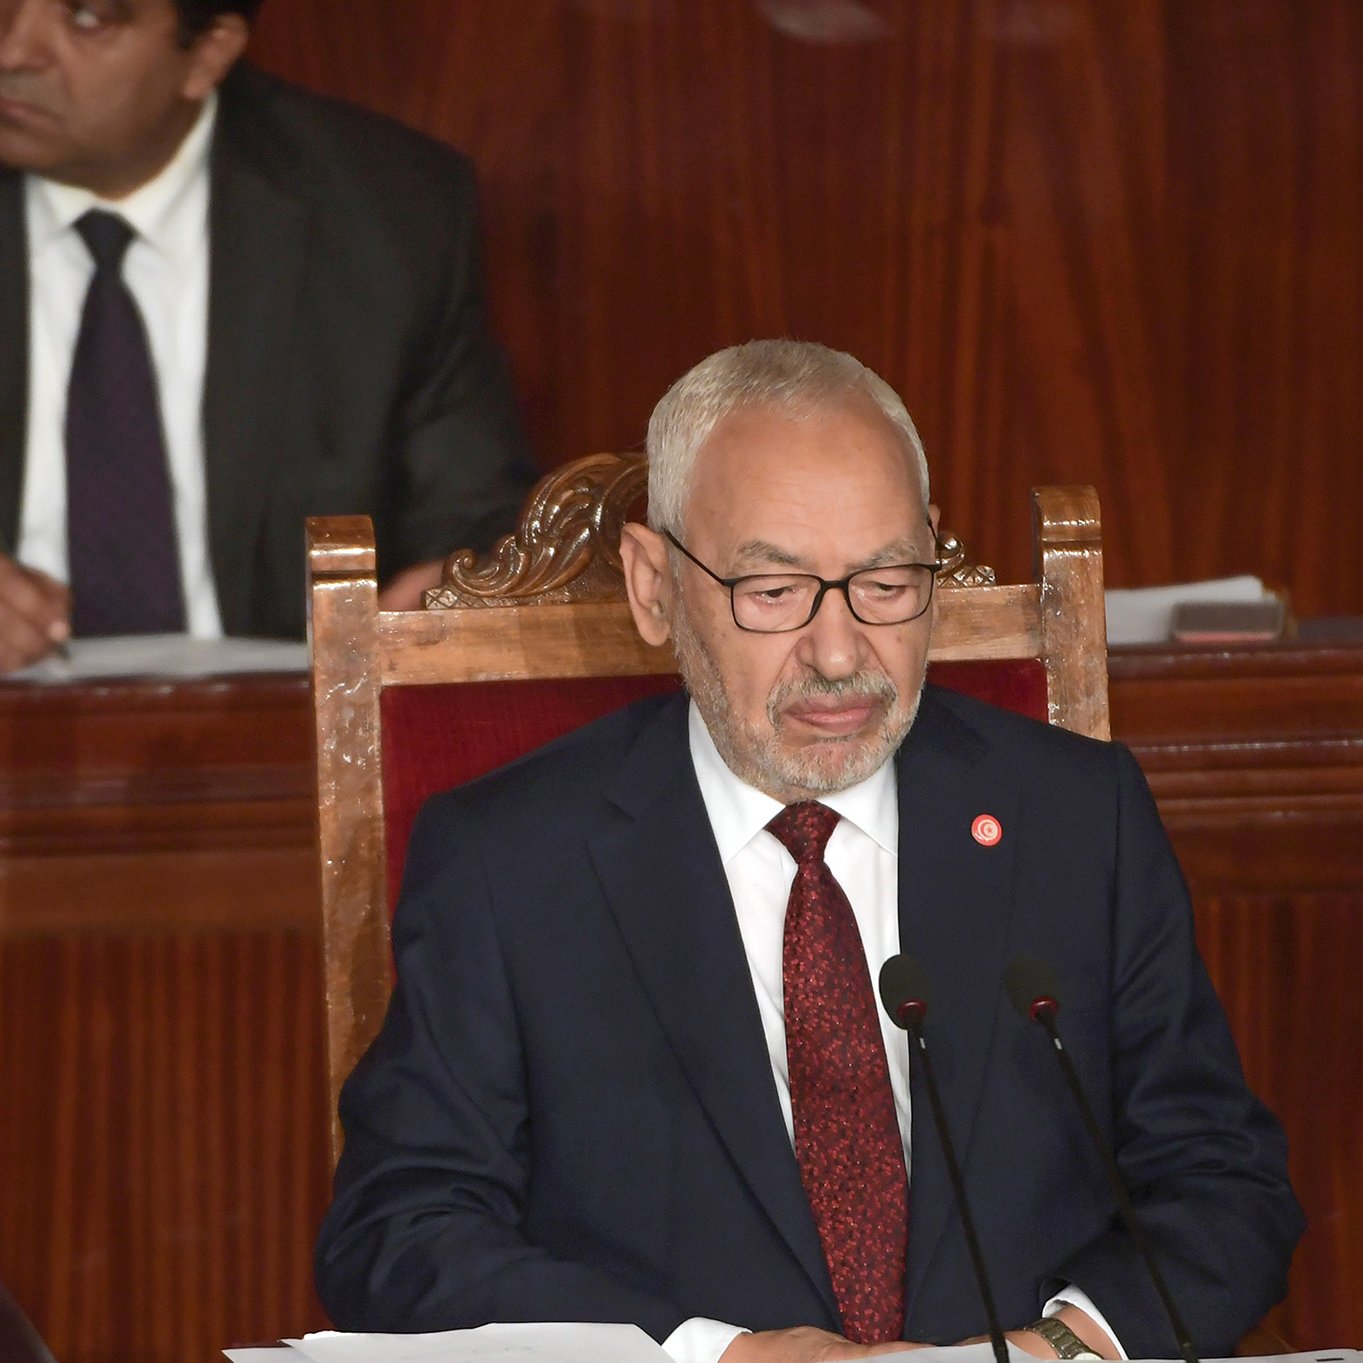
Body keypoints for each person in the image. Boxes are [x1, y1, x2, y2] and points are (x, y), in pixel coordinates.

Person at [314, 341, 1302, 1363]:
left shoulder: (1074, 818)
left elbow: (1223, 1185)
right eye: (774, 590)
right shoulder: (511, 862)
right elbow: (399, 1234)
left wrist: (1062, 1346)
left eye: (884, 581)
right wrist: (715, 1354)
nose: (839, 656)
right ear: (655, 587)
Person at [0, 0, 533, 669]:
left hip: (289, 725)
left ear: (208, 53)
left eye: (87, 20)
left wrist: (451, 594)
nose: (14, 53)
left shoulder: (388, 212)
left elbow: (477, 518)